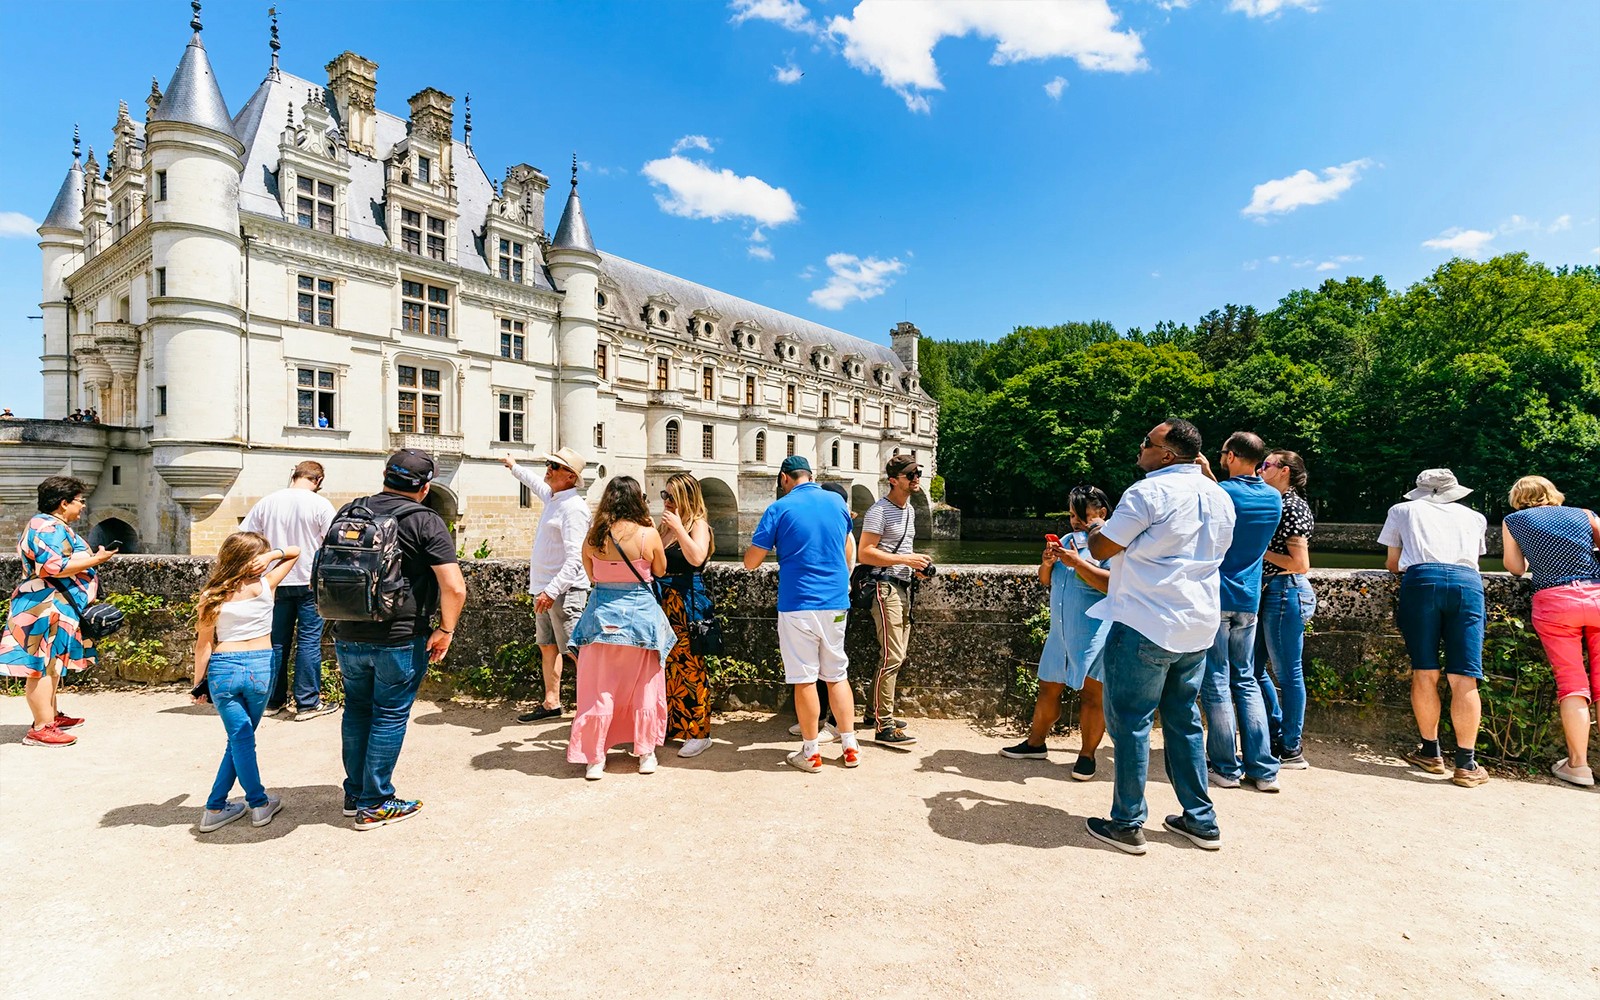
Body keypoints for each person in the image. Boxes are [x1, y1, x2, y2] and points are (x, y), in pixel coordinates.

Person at [1082, 419, 1235, 855]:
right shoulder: (1219, 496)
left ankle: (1127, 822)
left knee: (1131, 721)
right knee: (1184, 721)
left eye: (1147, 442)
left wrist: (1095, 526)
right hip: (1197, 623)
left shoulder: (1147, 491)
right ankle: (1200, 820)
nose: (1141, 448)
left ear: (1167, 454)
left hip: (1147, 621)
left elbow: (1102, 550)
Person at [331, 449, 466, 829]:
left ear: (385, 476)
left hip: (348, 631)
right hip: (400, 636)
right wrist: (446, 630)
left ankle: (355, 793)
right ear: (425, 487)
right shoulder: (425, 520)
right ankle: (375, 802)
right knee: (389, 714)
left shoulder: (352, 511)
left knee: (357, 710)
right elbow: (454, 587)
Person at [744, 455, 860, 772]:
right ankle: (850, 746)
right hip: (836, 601)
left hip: (798, 603)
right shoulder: (836, 503)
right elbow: (847, 549)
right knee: (837, 673)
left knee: (805, 678)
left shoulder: (779, 509)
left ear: (784, 478)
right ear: (810, 475)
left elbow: (751, 562)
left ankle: (810, 753)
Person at [1379, 468, 1490, 788]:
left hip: (1422, 583)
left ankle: (1430, 752)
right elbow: (1474, 557)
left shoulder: (1402, 510)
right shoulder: (1475, 518)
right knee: (1464, 675)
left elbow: (1392, 563)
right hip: (1467, 586)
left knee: (1425, 670)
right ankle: (1466, 764)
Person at [566, 476, 677, 779]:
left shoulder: (593, 537)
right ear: (638, 500)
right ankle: (645, 753)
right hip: (640, 620)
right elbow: (660, 570)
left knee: (598, 689)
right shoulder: (647, 535)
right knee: (645, 687)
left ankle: (595, 758)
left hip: (600, 621)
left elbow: (592, 577)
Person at [190, 533, 301, 832]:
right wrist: (272, 555)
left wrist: (199, 684)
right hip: (260, 665)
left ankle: (216, 807)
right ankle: (258, 803)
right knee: (242, 737)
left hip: (223, 668)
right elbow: (295, 552)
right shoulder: (266, 584)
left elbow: (204, 645)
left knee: (238, 739)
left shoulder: (211, 594)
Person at [1002, 485, 1112, 779]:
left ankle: (1087, 756)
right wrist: (1047, 563)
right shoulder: (1066, 540)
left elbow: (1113, 585)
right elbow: (1045, 580)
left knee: (1092, 695)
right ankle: (1036, 743)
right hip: (1060, 632)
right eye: (1072, 516)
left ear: (1101, 513)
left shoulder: (1111, 545)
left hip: (1094, 633)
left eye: (1082, 516)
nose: (1075, 522)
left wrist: (1077, 562)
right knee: (1048, 687)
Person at [1, 476, 118, 746]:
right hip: (44, 605)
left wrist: (88, 559)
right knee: (41, 667)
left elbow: (62, 560)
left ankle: (50, 716)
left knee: (51, 665)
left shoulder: (49, 525)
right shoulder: (47, 526)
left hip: (52, 604)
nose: (83, 506)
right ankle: (41, 728)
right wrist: (96, 559)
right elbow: (52, 567)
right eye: (80, 501)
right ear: (64, 503)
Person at [1197, 432, 1283, 793]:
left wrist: (1205, 478)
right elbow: (1242, 511)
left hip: (1217, 596)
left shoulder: (1220, 494)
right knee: (1246, 680)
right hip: (1249, 598)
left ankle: (1225, 767)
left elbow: (1223, 508)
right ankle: (1263, 769)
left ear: (1231, 456)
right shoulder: (1274, 498)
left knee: (1216, 680)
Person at [1501, 475, 1600, 787]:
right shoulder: (1583, 514)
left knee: (1573, 686)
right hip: (1597, 597)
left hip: (1555, 603)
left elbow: (1515, 567)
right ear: (1552, 493)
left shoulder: (1514, 520)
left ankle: (1579, 766)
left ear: (1518, 498)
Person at [240, 460, 337, 718]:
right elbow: (333, 544)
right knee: (308, 642)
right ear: (317, 480)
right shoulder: (320, 504)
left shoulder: (268, 502)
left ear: (294, 475)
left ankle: (273, 701)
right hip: (309, 580)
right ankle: (307, 702)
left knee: (276, 642)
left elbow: (244, 538)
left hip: (274, 581)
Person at [504, 447, 592, 722]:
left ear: (570, 476)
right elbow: (533, 482)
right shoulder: (554, 498)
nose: (549, 469)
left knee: (576, 651)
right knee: (548, 646)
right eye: (549, 463)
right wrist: (513, 466)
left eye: (554, 466)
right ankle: (551, 702)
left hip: (564, 591)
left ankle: (592, 707)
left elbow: (577, 557)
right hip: (544, 590)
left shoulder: (574, 508)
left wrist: (552, 591)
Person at [859, 454, 934, 746]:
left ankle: (872, 712)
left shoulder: (909, 511)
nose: (916, 479)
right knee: (893, 656)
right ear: (894, 480)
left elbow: (902, 550)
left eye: (918, 474)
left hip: (902, 586)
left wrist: (917, 568)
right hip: (883, 586)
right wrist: (905, 559)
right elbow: (865, 552)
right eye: (911, 475)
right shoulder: (879, 511)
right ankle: (884, 724)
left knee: (894, 654)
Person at [1255, 450, 1317, 768]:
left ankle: (1291, 747)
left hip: (1285, 592)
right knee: (1252, 670)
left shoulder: (1292, 506)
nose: (1260, 468)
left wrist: (1260, 552)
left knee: (1288, 672)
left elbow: (1300, 564)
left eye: (1266, 465)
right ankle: (1276, 732)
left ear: (1285, 471)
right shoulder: (1276, 501)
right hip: (1273, 593)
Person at [656, 473, 717, 758]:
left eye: (671, 496)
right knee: (666, 667)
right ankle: (671, 725)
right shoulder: (664, 527)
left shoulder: (697, 525)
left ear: (685, 498)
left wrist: (679, 529)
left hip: (686, 604)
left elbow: (697, 558)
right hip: (662, 602)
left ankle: (698, 732)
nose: (666, 501)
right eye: (664, 496)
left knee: (690, 667)